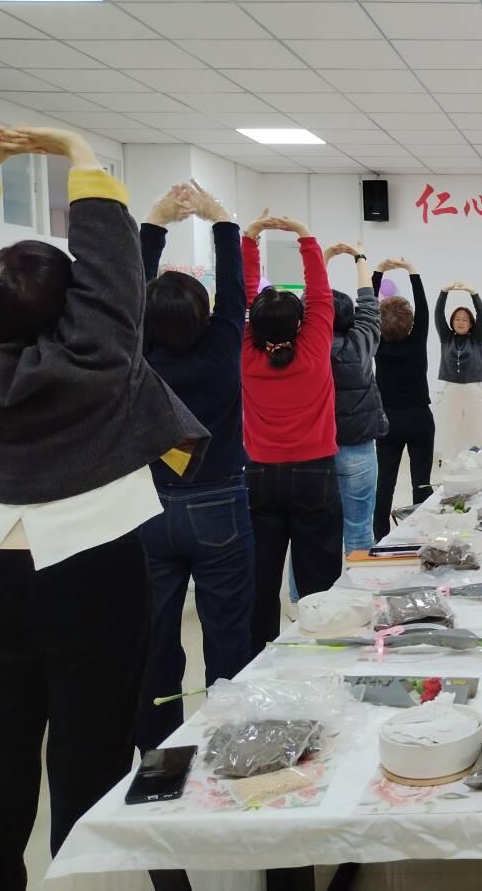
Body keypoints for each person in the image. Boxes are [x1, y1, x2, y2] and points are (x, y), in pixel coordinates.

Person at [0, 126, 209, 891]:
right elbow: (114, 281)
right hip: (92, 566)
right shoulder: (97, 358)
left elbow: (107, 287)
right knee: (92, 760)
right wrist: (80, 157)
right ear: (73, 309)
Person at [135, 179, 254, 752]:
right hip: (219, 502)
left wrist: (155, 224)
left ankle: (158, 752)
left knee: (153, 638)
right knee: (227, 632)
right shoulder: (222, 346)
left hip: (147, 505)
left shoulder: (135, 357)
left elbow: (124, 300)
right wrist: (220, 219)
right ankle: (229, 742)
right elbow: (235, 290)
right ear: (205, 316)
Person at [242, 209, 341, 656]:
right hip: (314, 473)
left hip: (259, 476)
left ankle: (260, 658)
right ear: (300, 324)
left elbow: (241, 295)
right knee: (319, 577)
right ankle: (319, 656)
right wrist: (304, 234)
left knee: (260, 579)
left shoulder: (245, 353)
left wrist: (249, 238)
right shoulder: (315, 348)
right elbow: (320, 294)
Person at [323, 243, 387, 556]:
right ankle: (361, 585)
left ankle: (308, 589)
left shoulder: (309, 349)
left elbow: (310, 304)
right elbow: (369, 305)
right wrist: (360, 259)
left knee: (314, 532)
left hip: (318, 449)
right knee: (360, 527)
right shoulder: (362, 342)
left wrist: (322, 258)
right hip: (359, 446)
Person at [372, 258, 434, 541]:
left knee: (384, 482)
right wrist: (413, 271)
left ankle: (380, 536)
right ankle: (422, 535)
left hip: (388, 420)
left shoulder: (377, 343)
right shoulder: (417, 340)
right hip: (419, 418)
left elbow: (366, 310)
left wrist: (377, 272)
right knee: (421, 482)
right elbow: (424, 309)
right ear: (410, 323)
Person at [434, 282, 482, 459]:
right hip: (451, 389)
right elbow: (438, 314)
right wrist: (444, 292)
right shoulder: (446, 337)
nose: (461, 322)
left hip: (473, 389)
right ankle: (448, 464)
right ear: (452, 322)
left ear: (471, 323)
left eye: (465, 319)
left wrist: (473, 293)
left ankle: (479, 463)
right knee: (450, 431)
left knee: (477, 430)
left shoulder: (476, 338)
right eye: (457, 319)